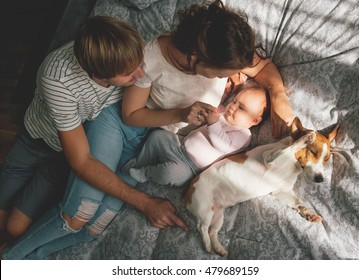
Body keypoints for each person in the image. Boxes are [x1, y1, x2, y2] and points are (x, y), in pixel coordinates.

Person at [2, 0, 294, 260]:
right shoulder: (149, 59)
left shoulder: (217, 47)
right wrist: (181, 113)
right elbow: (130, 116)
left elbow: (261, 68)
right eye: (221, 73)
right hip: (119, 126)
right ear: (196, 59)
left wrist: (278, 95)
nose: (230, 77)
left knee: (96, 224)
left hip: (151, 142)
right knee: (79, 214)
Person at [125, 80, 269, 187]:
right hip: (178, 144)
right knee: (157, 136)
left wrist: (213, 122)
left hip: (189, 167)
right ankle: (139, 162)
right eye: (235, 101)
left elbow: (222, 144)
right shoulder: (224, 112)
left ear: (255, 120)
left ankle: (146, 172)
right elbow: (213, 108)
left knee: (170, 174)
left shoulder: (244, 135)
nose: (233, 107)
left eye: (241, 108)